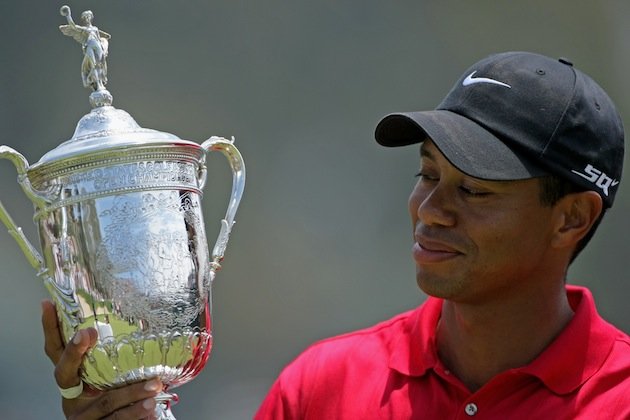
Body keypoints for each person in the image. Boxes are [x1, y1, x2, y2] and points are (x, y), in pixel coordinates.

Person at [42, 51, 630, 419]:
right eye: (427, 174)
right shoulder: (323, 386)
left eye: (474, 191)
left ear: (572, 217)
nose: (430, 210)